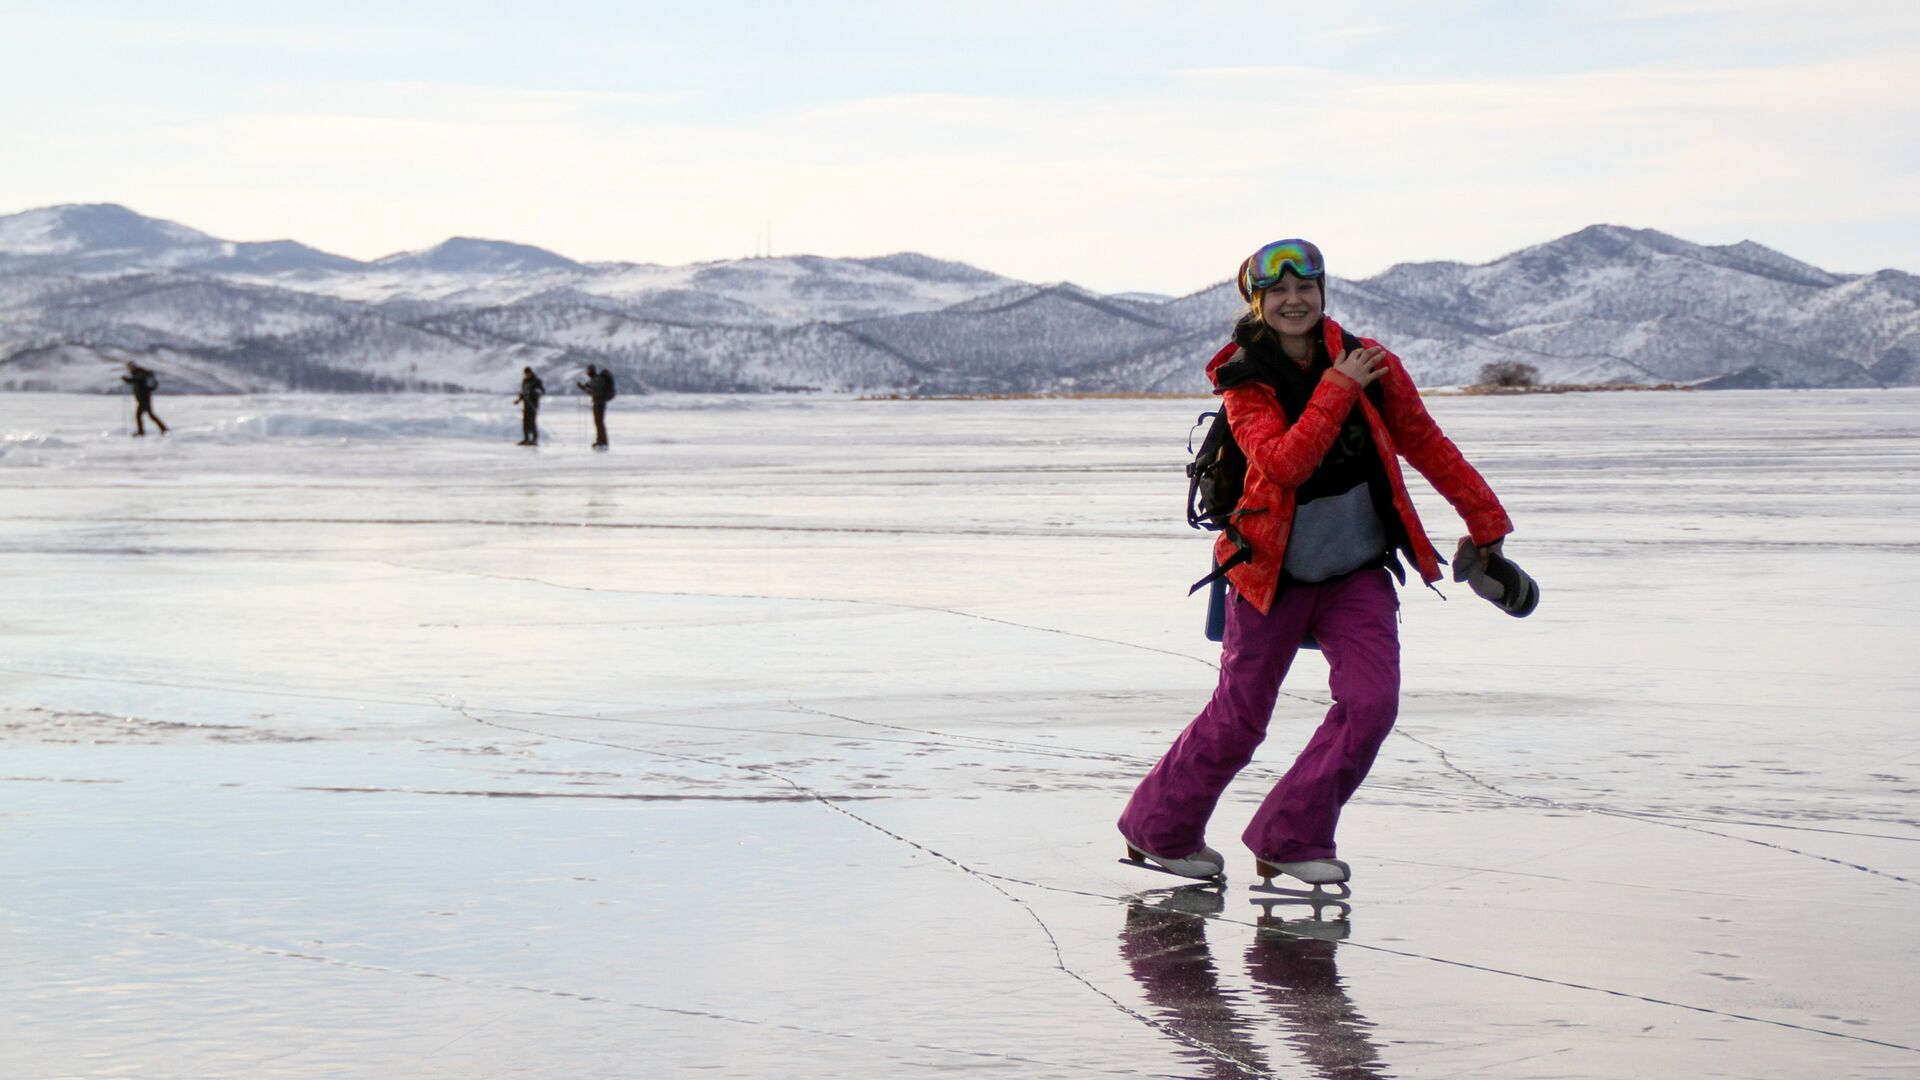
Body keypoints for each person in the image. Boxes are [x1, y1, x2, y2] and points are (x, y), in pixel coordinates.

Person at [1118, 238, 1514, 887]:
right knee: (1240, 717)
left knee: (1372, 703)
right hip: (1267, 573)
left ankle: (1291, 836)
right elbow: (1282, 463)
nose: (1294, 300)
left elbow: (1428, 444)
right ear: (1259, 302)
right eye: (1278, 292)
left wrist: (1487, 524)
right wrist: (1336, 388)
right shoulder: (1244, 380)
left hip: (1356, 570)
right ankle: (1158, 829)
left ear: (1322, 292)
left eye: (1306, 288)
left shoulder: (1370, 363)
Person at [121, 361, 168, 436]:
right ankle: (163, 429)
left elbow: (136, 380)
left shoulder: (139, 372)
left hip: (144, 398)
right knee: (149, 415)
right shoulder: (139, 373)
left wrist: (127, 380)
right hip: (144, 398)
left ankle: (142, 431)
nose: (129, 369)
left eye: (129, 367)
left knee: (140, 415)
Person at [577, 364, 615, 449]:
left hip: (599, 402)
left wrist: (584, 388)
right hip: (599, 402)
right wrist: (584, 388)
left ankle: (602, 441)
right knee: (599, 422)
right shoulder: (596, 379)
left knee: (599, 422)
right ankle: (601, 441)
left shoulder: (596, 380)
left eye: (588, 370)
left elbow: (594, 391)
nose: (587, 372)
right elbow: (592, 391)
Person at [514, 366, 545, 446]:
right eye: (525, 374)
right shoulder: (525, 381)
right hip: (526, 404)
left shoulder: (536, 381)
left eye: (527, 374)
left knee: (532, 422)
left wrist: (535, 392)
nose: (526, 375)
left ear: (531, 373)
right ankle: (526, 439)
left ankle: (534, 439)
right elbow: (523, 392)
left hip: (533, 404)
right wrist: (519, 400)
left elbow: (542, 391)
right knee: (525, 422)